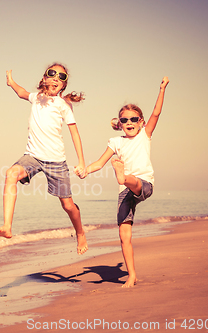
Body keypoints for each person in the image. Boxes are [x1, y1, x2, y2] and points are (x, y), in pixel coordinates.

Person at [0, 63, 88, 255]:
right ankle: (7, 226)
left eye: (61, 76)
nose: (55, 78)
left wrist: (81, 162)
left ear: (63, 85)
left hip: (56, 160)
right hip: (33, 157)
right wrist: (11, 82)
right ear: (44, 78)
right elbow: (21, 92)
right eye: (51, 74)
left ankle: (80, 232)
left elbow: (75, 134)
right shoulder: (36, 98)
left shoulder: (64, 105)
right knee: (11, 174)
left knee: (67, 205)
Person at [84, 76, 170, 287]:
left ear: (140, 122)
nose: (129, 123)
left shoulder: (145, 135)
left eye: (133, 119)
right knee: (124, 235)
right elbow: (99, 163)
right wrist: (85, 170)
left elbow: (156, 113)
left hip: (143, 184)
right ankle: (132, 275)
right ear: (119, 123)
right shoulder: (115, 142)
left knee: (133, 182)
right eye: (124, 120)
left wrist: (162, 89)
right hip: (125, 192)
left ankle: (123, 176)